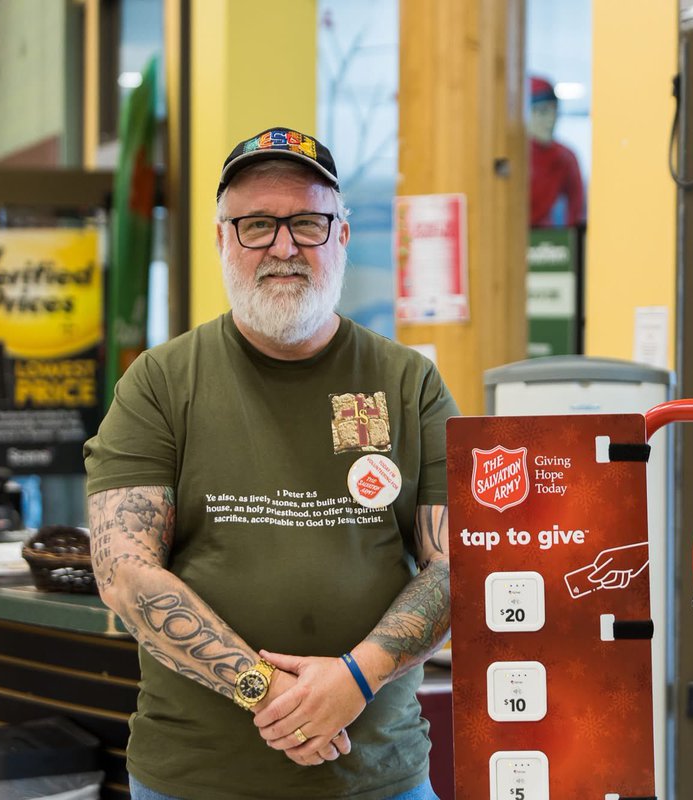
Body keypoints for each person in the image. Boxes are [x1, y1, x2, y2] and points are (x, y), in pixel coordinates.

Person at [84, 126, 458, 800]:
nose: (284, 246)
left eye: (307, 223)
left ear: (341, 237)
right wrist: (265, 691)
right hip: (195, 780)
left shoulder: (411, 384)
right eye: (257, 224)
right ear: (222, 240)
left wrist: (357, 677)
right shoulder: (159, 383)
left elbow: (458, 562)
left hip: (378, 778)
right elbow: (123, 573)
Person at [529, 76, 586, 227]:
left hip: (549, 242)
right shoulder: (515, 156)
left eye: (554, 111)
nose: (550, 120)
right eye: (542, 112)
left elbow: (576, 210)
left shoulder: (565, 157)